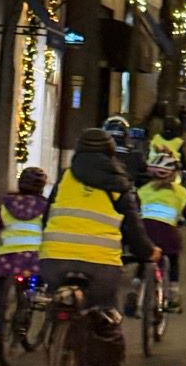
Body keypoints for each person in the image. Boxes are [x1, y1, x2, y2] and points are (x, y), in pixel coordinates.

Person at [41, 127, 150, 320]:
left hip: (54, 261)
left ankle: (51, 331)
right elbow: (133, 227)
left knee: (56, 302)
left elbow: (46, 217)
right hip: (101, 265)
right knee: (106, 313)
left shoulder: (65, 178)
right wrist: (147, 251)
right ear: (111, 153)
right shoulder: (119, 185)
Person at [136, 152, 186, 311]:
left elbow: (134, 209)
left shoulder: (143, 190)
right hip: (168, 234)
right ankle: (173, 292)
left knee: (144, 256)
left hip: (144, 231)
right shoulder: (181, 192)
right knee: (173, 258)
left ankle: (137, 284)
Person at [0, 165, 49, 322]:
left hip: (7, 256)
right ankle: (23, 314)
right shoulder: (45, 206)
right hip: (33, 257)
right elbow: (48, 227)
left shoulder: (7, 204)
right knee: (32, 285)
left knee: (0, 284)